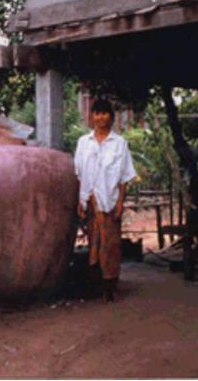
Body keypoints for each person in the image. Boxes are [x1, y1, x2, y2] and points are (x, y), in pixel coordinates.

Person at [74, 99, 136, 302]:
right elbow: (79, 174)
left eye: (104, 113)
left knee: (110, 245)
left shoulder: (119, 144)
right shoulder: (84, 143)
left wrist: (120, 203)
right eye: (97, 113)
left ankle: (111, 285)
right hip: (90, 202)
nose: (100, 117)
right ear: (92, 116)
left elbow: (125, 176)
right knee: (94, 243)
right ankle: (97, 286)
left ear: (111, 116)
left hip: (109, 202)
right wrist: (80, 201)